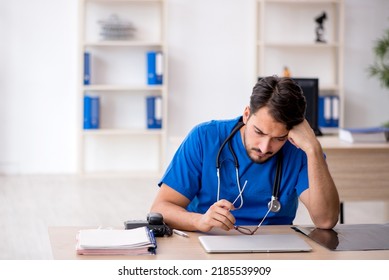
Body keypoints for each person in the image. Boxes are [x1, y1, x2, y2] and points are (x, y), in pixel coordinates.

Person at [150, 76, 339, 233]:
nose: (265, 147)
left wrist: (313, 148)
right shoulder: (205, 137)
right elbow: (161, 209)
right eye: (259, 132)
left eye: (279, 138)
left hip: (274, 248)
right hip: (209, 240)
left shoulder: (300, 150)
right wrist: (199, 221)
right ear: (247, 114)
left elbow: (326, 220)